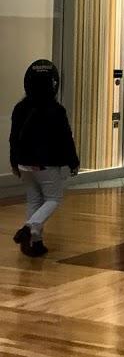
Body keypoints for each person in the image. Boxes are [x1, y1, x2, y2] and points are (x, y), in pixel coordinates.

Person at [9, 60, 79, 258]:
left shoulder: (20, 108)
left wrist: (14, 161)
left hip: (24, 163)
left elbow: (13, 137)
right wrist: (73, 161)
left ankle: (36, 243)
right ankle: (29, 228)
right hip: (46, 163)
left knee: (34, 200)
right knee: (53, 199)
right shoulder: (56, 110)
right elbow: (65, 138)